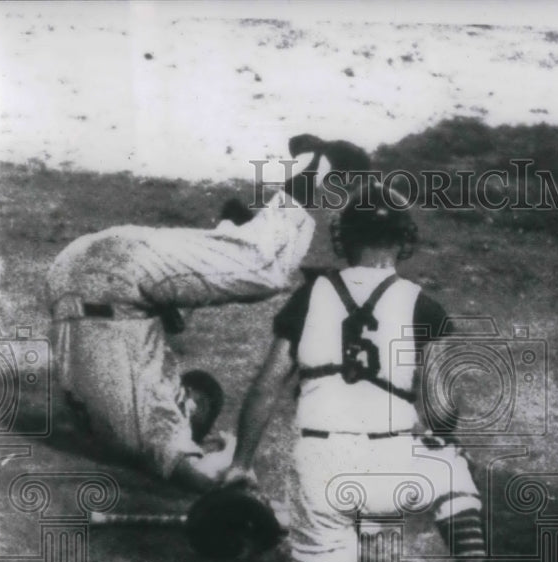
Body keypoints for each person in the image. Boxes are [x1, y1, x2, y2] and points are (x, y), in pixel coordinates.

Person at [223, 178, 514, 562]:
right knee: (452, 469)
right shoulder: (423, 304)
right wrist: (442, 437)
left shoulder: (309, 296)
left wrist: (241, 464)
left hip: (321, 468)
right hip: (394, 471)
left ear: (345, 239)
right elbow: (442, 405)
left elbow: (264, 387)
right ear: (403, 239)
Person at [45, 136, 370, 491]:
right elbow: (210, 477)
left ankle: (235, 229)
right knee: (263, 269)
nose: (193, 407)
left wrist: (228, 453)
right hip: (95, 274)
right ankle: (305, 175)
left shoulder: (145, 416)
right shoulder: (147, 414)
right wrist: (230, 453)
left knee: (261, 271)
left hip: (107, 276)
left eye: (195, 406)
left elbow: (209, 473)